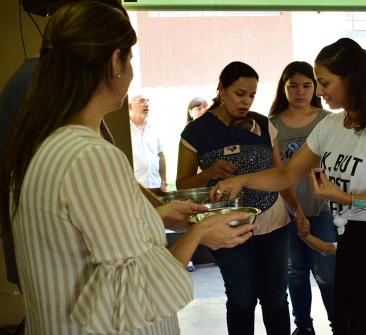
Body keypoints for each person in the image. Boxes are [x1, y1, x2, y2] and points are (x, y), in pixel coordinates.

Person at [0, 2, 257, 334]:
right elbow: (135, 291)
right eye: (131, 59)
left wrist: (158, 215)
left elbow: (83, 233)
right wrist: (199, 233)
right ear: (115, 62)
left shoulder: (38, 144)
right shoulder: (90, 156)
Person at [210, 38, 366, 335]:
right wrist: (242, 180)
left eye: (324, 82)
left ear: (350, 78)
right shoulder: (332, 125)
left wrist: (347, 198)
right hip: (351, 241)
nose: (319, 91)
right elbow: (287, 173)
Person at [176, 61, 306, 335]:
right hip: (227, 228)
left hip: (273, 222)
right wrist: (209, 172)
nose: (246, 101)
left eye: (252, 95)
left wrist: (296, 209)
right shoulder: (196, 132)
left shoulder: (262, 123)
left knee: (275, 298)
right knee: (242, 299)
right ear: (221, 89)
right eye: (239, 93)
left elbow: (280, 173)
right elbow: (183, 184)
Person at [268, 61, 335, 335]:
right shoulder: (271, 125)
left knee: (327, 274)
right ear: (283, 88)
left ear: (316, 87)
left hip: (324, 209)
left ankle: (338, 323)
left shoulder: (329, 120)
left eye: (307, 85)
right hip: (286, 212)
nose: (300, 92)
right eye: (293, 86)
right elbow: (273, 171)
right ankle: (303, 326)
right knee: (295, 274)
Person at [184, 97, 208, 272]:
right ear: (190, 111)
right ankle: (188, 258)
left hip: (209, 185)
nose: (201, 111)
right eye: (198, 108)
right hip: (195, 186)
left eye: (204, 108)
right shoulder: (188, 133)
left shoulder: (211, 131)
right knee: (193, 221)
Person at [129, 94, 168, 195]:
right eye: (142, 101)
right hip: (135, 188)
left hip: (155, 186)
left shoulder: (154, 129)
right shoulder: (125, 131)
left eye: (147, 101)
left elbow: (161, 156)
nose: (146, 104)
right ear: (130, 106)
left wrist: (163, 182)